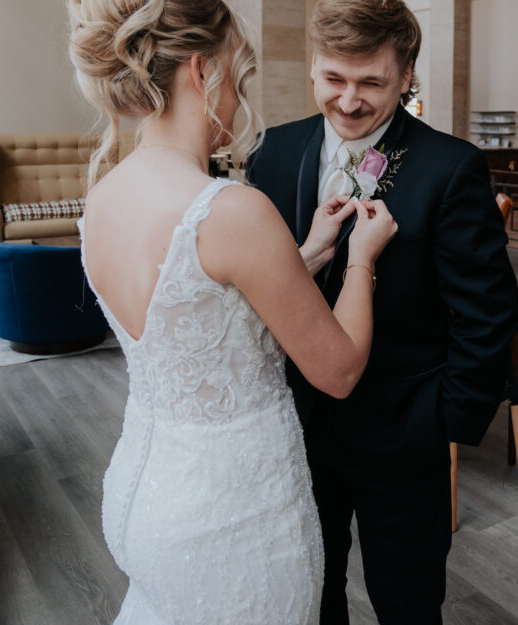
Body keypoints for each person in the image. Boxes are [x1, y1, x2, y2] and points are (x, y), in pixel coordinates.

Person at [66, 1, 397, 623]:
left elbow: (194, 309)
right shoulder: (231, 208)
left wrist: (305, 255)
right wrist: (360, 257)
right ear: (201, 70)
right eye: (238, 77)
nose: (238, 101)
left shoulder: (103, 197)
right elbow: (341, 369)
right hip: (233, 511)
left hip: (146, 487)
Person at [246, 1, 518, 623]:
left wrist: (444, 420)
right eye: (333, 79)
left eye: (370, 82)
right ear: (313, 68)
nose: (348, 101)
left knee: (409, 601)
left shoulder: (449, 167)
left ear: (406, 75)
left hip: (404, 433)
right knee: (312, 593)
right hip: (295, 428)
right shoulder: (271, 154)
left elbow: (488, 312)